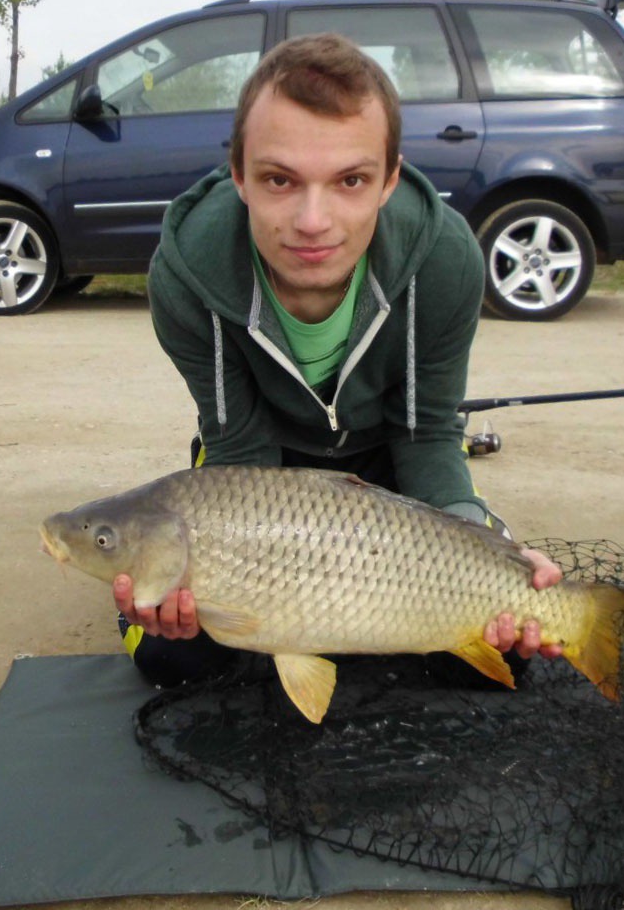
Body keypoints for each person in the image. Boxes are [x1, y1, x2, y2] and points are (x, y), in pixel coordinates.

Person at [114, 33, 563, 686]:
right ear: (238, 174)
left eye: (350, 180)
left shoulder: (444, 258)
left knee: (508, 651)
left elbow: (427, 432)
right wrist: (232, 587)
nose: (313, 220)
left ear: (389, 180)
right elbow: (240, 450)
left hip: (389, 459)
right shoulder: (186, 277)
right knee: (174, 656)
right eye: (279, 180)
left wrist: (475, 544)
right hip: (260, 473)